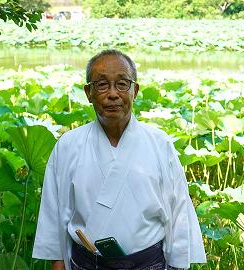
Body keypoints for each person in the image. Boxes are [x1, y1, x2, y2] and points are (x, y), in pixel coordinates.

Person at [32, 49, 206, 270]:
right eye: (102, 85)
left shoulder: (160, 144)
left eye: (122, 84)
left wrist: (178, 265)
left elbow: (179, 211)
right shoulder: (68, 145)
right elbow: (53, 214)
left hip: (147, 265)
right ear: (88, 93)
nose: (113, 94)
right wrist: (57, 263)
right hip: (86, 265)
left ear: (135, 90)